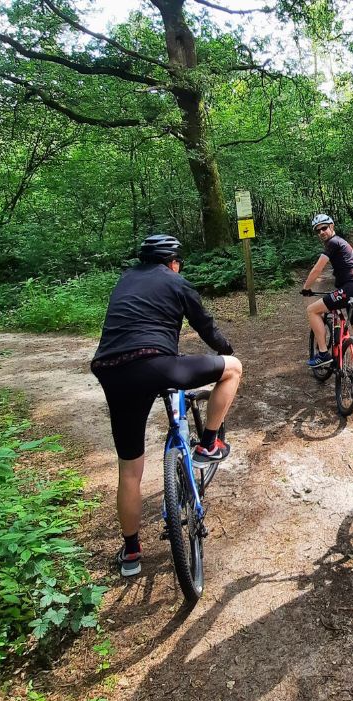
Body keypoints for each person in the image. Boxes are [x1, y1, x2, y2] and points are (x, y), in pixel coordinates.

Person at [91, 234, 242, 577]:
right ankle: (209, 444)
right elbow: (206, 327)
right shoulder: (176, 282)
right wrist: (226, 350)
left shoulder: (125, 280)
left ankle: (131, 553)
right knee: (233, 369)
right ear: (173, 262)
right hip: (156, 364)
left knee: (129, 470)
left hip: (111, 370)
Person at [302, 213, 353, 391]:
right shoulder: (345, 244)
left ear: (332, 226)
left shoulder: (333, 243)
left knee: (312, 310)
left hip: (348, 289)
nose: (321, 232)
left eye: (324, 228)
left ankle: (322, 353)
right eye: (318, 230)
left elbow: (318, 269)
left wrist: (306, 288)